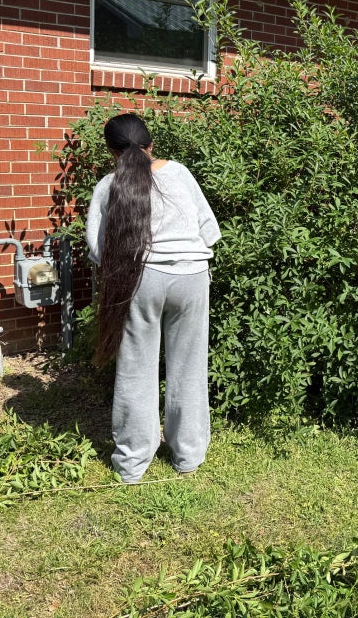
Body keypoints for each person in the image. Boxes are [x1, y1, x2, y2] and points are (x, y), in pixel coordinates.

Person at [85, 113, 221, 484]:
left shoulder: (107, 186)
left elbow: (98, 250)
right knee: (189, 368)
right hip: (192, 278)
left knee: (136, 368)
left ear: (111, 151)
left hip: (138, 280)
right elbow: (210, 232)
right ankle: (188, 456)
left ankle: (131, 463)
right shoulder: (179, 173)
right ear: (151, 145)